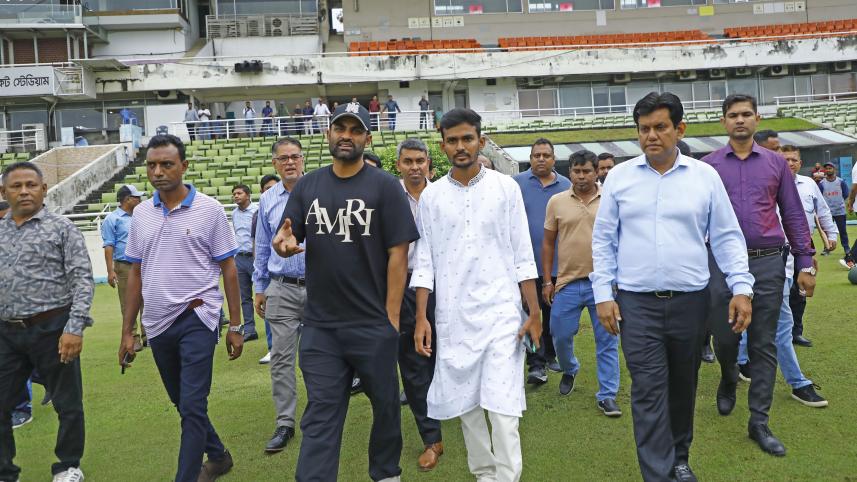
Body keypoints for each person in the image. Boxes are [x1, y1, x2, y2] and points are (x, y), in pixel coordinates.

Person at [591, 92, 753, 482]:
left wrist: (741, 287)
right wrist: (603, 294)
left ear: (679, 129)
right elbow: (603, 241)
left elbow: (728, 237)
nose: (651, 135)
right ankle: (658, 473)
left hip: (690, 303)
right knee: (647, 390)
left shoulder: (704, 177)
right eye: (644, 129)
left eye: (660, 127)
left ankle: (680, 457)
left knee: (683, 385)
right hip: (637, 305)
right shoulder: (620, 178)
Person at [272, 104, 414, 482]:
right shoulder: (308, 185)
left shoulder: (385, 186)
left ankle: (386, 473)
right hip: (321, 327)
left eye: (355, 130)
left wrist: (392, 317)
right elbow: (288, 235)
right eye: (340, 128)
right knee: (320, 411)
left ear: (367, 138)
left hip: (372, 323)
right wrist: (281, 245)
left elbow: (399, 254)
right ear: (328, 135)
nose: (346, 135)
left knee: (385, 405)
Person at [412, 108, 541, 482]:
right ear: (443, 146)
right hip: (454, 318)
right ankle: (485, 476)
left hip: (502, 313)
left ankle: (507, 477)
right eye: (452, 140)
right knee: (467, 407)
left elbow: (522, 255)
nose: (460, 146)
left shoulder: (505, 188)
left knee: (503, 410)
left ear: (480, 141)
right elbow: (424, 263)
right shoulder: (432, 198)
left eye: (467, 138)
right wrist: (422, 317)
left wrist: (534, 311)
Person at [118, 135, 244, 482]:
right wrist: (127, 331)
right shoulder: (141, 214)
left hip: (198, 316)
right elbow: (137, 275)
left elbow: (228, 269)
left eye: (167, 164)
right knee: (181, 401)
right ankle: (217, 455)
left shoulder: (210, 209)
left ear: (184, 166)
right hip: (156, 324)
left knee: (192, 405)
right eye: (152, 165)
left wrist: (235, 325)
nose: (158, 172)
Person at [702, 94, 814, 457]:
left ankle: (759, 422)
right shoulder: (708, 166)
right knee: (725, 335)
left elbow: (794, 214)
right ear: (723, 121)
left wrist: (805, 261)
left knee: (765, 342)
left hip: (767, 261)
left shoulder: (776, 164)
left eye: (746, 114)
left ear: (756, 118)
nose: (740, 120)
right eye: (733, 115)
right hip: (721, 264)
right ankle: (728, 375)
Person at [0, 161, 94, 482]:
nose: (24, 191)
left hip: (54, 329)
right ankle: (4, 471)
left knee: (68, 405)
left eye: (31, 184)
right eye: (16, 186)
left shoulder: (62, 228)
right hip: (7, 332)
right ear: (4, 191)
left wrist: (74, 328)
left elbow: (82, 280)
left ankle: (68, 466)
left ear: (43, 189)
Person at [735, 144, 834, 409]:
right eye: (782, 157)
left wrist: (806, 258)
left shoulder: (806, 187)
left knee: (780, 324)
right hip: (749, 265)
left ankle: (794, 381)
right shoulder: (754, 186)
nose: (787, 162)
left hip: (784, 266)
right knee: (748, 321)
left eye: (792, 158)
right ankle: (743, 364)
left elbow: (802, 222)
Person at [542, 149, 621, 415]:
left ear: (597, 171)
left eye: (587, 171)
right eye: (576, 171)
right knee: (560, 335)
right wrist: (547, 281)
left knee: (608, 340)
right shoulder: (556, 201)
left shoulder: (611, 199)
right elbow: (548, 243)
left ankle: (607, 394)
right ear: (570, 172)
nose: (582, 176)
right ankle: (569, 368)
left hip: (604, 283)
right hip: (567, 281)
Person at [253, 138, 307, 454]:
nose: (289, 162)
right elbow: (261, 247)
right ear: (275, 163)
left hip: (320, 287)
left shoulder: (320, 191)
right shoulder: (267, 201)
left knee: (318, 358)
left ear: (303, 159)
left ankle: (320, 417)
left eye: (295, 157)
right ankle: (285, 422)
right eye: (283, 158)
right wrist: (260, 288)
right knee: (282, 361)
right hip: (282, 287)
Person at [394, 138, 444, 471]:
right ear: (398, 164)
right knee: (413, 364)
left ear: (428, 163)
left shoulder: (443, 194)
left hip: (445, 284)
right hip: (403, 285)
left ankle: (452, 409)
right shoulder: (387, 197)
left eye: (420, 161)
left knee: (448, 353)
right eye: (409, 161)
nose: (415, 167)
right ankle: (431, 438)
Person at [513, 138, 570, 383]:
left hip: (559, 264)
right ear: (530, 158)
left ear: (554, 159)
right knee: (531, 313)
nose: (541, 159)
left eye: (546, 155)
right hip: (526, 265)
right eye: (537, 155)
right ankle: (536, 364)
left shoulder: (566, 185)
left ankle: (551, 355)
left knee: (554, 316)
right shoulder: (516, 184)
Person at [102, 184, 146, 352]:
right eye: (137, 197)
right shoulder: (112, 219)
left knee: (147, 299)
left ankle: (148, 335)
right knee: (129, 302)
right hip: (125, 265)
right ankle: (133, 337)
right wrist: (110, 271)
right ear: (128, 199)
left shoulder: (141, 216)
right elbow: (108, 246)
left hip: (144, 263)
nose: (140, 200)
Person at [252, 173, 281, 364]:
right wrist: (260, 284)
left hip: (311, 277)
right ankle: (273, 348)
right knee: (272, 316)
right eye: (267, 188)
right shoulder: (261, 209)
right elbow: (260, 245)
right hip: (276, 276)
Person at [231, 184, 259, 342]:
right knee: (245, 296)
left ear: (247, 195)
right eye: (234, 194)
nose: (236, 196)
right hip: (239, 258)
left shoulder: (256, 210)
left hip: (254, 258)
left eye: (239, 193)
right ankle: (250, 329)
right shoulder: (234, 213)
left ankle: (273, 328)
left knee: (265, 294)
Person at [818, 162, 854, 269]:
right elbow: (819, 196)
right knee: (827, 231)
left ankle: (847, 249)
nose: (828, 170)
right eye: (827, 169)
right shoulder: (821, 184)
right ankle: (827, 248)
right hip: (827, 212)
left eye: (830, 168)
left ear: (834, 169)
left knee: (842, 231)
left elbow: (846, 194)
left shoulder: (841, 182)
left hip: (840, 211)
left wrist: (839, 202)